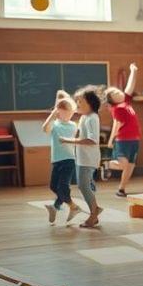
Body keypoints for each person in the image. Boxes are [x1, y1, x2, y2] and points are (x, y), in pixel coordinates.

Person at [61, 86, 103, 228]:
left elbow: (92, 140)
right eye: (76, 101)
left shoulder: (92, 118)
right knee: (84, 186)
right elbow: (81, 135)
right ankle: (94, 211)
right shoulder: (85, 117)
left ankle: (94, 212)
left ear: (91, 103)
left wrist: (68, 140)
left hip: (88, 159)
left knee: (83, 186)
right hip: (82, 159)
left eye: (80, 101)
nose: (77, 104)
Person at [42, 90, 82, 225]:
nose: (69, 115)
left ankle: (57, 207)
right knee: (53, 186)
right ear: (58, 112)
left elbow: (64, 114)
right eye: (65, 112)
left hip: (69, 160)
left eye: (71, 112)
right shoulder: (55, 124)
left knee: (63, 187)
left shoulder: (73, 125)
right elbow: (45, 128)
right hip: (56, 160)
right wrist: (53, 114)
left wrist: (62, 103)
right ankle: (72, 207)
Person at [104, 63, 140, 197]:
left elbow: (130, 87)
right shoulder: (117, 108)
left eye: (116, 90)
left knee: (130, 166)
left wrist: (133, 71)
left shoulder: (126, 102)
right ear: (112, 100)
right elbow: (116, 124)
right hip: (123, 140)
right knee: (123, 165)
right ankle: (106, 165)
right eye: (113, 93)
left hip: (134, 139)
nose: (117, 91)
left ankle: (121, 189)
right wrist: (111, 139)